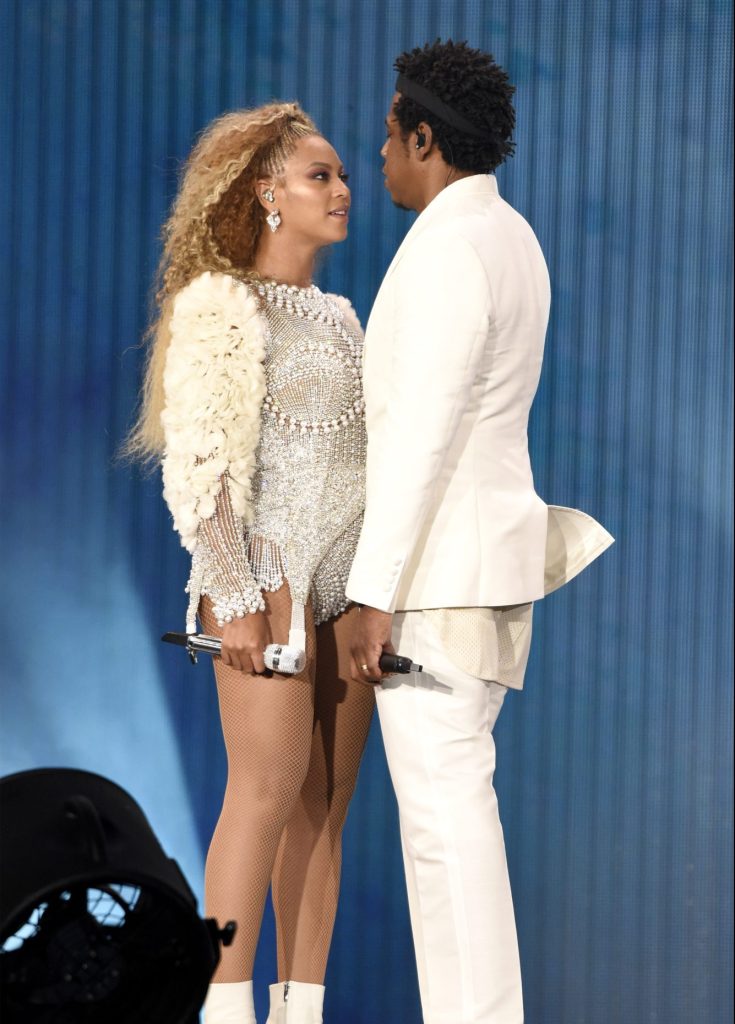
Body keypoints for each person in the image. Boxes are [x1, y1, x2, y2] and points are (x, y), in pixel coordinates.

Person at [347, 41, 613, 1024]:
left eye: (387, 135)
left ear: (427, 137)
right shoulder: (510, 235)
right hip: (476, 568)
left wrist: (372, 592)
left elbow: (421, 435)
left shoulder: (454, 249)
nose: (378, 155)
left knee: (445, 827)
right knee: (456, 818)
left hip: (438, 580)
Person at [127, 103, 374, 1024]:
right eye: (321, 175)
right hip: (268, 583)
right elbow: (204, 465)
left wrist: (369, 592)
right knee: (263, 791)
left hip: (346, 588)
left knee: (324, 804)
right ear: (267, 190)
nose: (343, 190)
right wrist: (234, 596)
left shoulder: (345, 315)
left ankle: (299, 1009)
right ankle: (222, 1007)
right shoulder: (220, 304)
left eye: (344, 174)